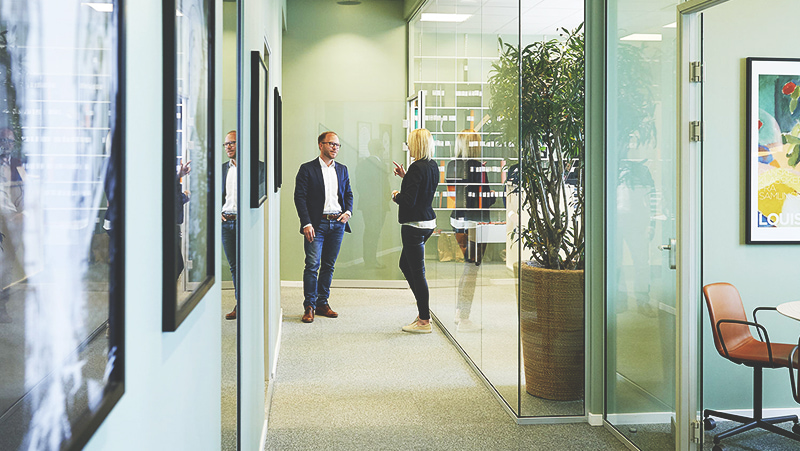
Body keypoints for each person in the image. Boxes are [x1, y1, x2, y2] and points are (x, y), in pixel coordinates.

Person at [294, 131, 353, 323]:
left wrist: (348, 212)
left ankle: (322, 303)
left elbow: (349, 194)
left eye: (337, 145)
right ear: (321, 145)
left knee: (329, 265)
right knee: (312, 265)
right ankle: (309, 306)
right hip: (316, 225)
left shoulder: (342, 169)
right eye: (331, 144)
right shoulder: (307, 169)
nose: (335, 147)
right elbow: (299, 198)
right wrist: (306, 223)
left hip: (337, 224)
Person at [445, 130, 495, 332]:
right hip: (476, 224)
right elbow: (487, 199)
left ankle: (460, 311)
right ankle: (464, 318)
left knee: (468, 267)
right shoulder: (477, 167)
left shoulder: (451, 165)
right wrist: (491, 193)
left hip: (458, 221)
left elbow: (453, 194)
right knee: (471, 269)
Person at [391, 128, 439, 334]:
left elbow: (408, 200)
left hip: (414, 226)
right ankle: (422, 309)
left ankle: (424, 320)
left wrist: (395, 195)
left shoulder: (416, 167)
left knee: (417, 273)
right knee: (405, 265)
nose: (408, 146)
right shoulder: (431, 166)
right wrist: (405, 176)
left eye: (410, 143)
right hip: (428, 222)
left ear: (417, 145)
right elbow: (421, 190)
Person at [356, 139, 390, 268]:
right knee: (373, 233)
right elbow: (384, 185)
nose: (384, 150)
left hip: (369, 205)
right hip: (377, 205)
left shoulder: (362, 164)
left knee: (370, 232)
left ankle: (369, 261)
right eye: (382, 148)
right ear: (379, 149)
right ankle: (371, 261)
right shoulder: (380, 165)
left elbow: (360, 186)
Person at [221, 131, 239, 320]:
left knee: (248, 265)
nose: (228, 146)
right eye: (226, 144)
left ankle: (249, 302)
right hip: (227, 223)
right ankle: (239, 304)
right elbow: (214, 194)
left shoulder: (257, 168)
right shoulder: (222, 169)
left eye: (232, 143)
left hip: (246, 224)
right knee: (234, 267)